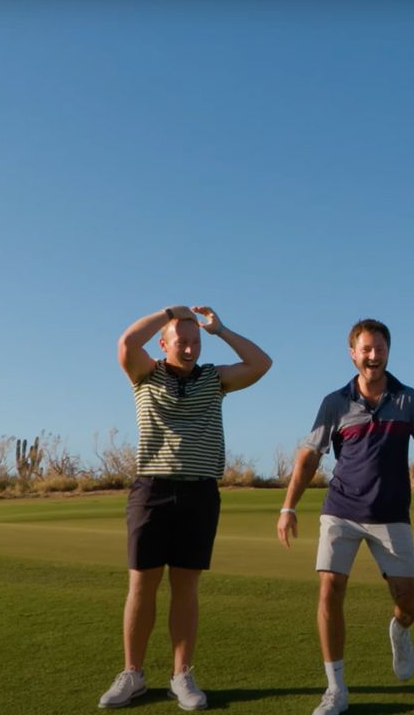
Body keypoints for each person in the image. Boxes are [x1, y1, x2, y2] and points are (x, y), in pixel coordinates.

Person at [100, 305, 273, 711]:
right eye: (183, 341)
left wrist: (221, 330)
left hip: (199, 493)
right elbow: (127, 343)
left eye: (195, 342)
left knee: (185, 588)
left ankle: (181, 676)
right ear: (164, 343)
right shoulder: (145, 374)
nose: (191, 348)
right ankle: (133, 674)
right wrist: (168, 313)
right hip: (152, 490)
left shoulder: (214, 379)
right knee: (141, 585)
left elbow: (261, 363)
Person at [277, 319, 414, 715]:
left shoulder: (408, 399)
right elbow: (308, 457)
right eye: (365, 349)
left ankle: (399, 630)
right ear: (353, 354)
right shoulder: (335, 402)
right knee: (329, 590)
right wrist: (288, 506)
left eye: (379, 348)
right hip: (341, 511)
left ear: (387, 351)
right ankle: (336, 689)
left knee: (411, 602)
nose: (373, 355)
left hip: (390, 515)